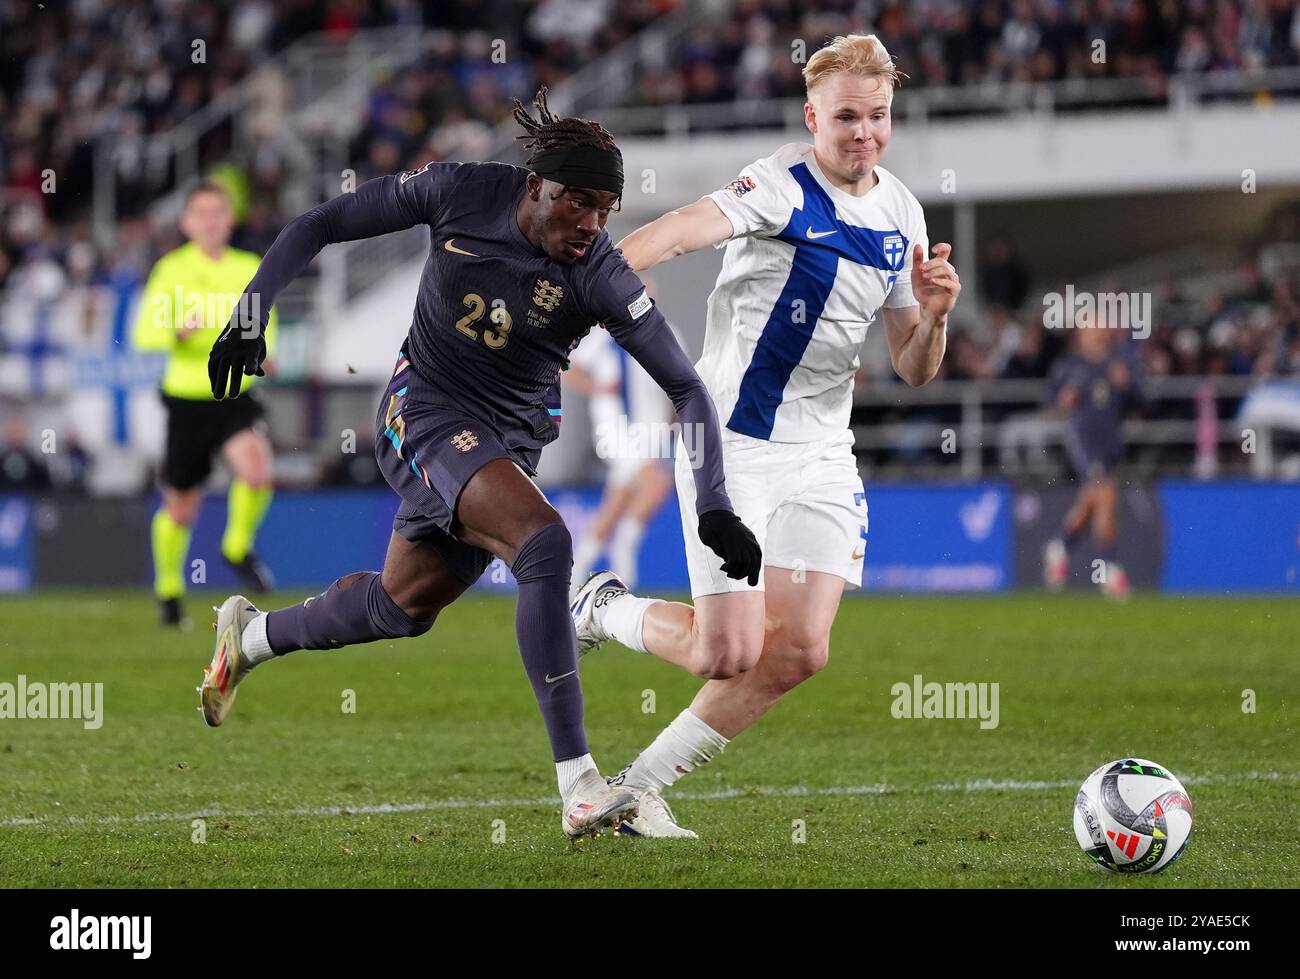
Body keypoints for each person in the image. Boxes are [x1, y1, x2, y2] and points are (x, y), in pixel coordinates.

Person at [197, 88, 762, 841]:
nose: (591, 224)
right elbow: (324, 221)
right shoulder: (458, 190)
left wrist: (715, 500)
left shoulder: (601, 272)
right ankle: (582, 786)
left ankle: (252, 637)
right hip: (421, 407)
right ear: (536, 186)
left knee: (401, 608)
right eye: (576, 203)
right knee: (546, 542)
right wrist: (250, 309)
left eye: (606, 209)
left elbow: (687, 387)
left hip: (508, 438)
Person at [571, 34, 961, 837]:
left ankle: (635, 789)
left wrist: (937, 314)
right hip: (733, 441)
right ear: (813, 116)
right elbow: (683, 227)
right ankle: (603, 608)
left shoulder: (901, 212)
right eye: (846, 116)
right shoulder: (781, 182)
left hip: (822, 451)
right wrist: (591, 284)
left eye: (879, 116)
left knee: (799, 652)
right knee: (728, 651)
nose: (864, 133)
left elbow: (915, 367)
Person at [132, 182, 278, 629]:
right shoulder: (171, 270)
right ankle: (170, 590)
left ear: (229, 220)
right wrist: (176, 332)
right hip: (186, 399)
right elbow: (144, 334)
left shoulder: (248, 267)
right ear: (187, 222)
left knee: (257, 471)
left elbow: (262, 327)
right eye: (202, 213)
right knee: (181, 508)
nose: (211, 220)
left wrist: (261, 350)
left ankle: (236, 545)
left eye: (219, 212)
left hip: (232, 393)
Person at [564, 305, 676, 593]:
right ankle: (626, 544)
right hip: (615, 431)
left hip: (651, 431)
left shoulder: (662, 335)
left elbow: (676, 382)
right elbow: (565, 365)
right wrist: (596, 389)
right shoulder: (602, 339)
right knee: (657, 482)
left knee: (616, 503)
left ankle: (576, 572)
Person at [1043, 310, 1144, 599]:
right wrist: (1063, 400)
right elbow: (1050, 398)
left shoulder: (1122, 364)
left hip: (1111, 442)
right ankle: (1110, 569)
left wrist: (1128, 386)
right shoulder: (1070, 366)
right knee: (1106, 492)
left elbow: (1146, 401)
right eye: (1093, 327)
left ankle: (1060, 546)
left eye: (1102, 327)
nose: (1099, 333)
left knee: (1095, 497)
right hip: (1082, 439)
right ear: (1082, 333)